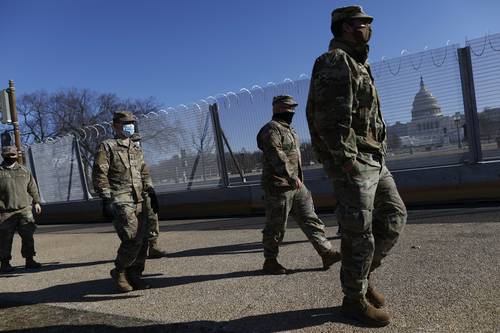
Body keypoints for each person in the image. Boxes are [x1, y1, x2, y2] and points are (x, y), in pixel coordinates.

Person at [306, 6, 407, 327]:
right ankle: (353, 300)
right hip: (356, 161)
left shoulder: (358, 64)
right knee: (358, 233)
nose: (369, 28)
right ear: (346, 27)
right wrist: (347, 161)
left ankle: (362, 278)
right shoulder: (334, 62)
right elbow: (330, 118)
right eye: (363, 23)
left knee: (393, 216)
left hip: (374, 158)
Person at [257, 95, 342, 275]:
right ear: (278, 108)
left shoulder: (291, 130)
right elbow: (275, 154)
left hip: (296, 185)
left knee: (311, 219)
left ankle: (326, 252)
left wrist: (296, 179)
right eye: (288, 108)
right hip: (278, 186)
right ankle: (270, 261)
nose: (292, 112)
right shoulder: (271, 129)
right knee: (276, 226)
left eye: (293, 109)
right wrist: (290, 175)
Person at [92, 111, 157, 292]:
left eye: (132, 123)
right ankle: (120, 270)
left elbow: (144, 171)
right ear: (115, 126)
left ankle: (135, 273)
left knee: (143, 238)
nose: (130, 126)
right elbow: (100, 174)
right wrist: (106, 198)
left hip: (140, 198)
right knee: (131, 238)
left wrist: (150, 190)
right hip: (121, 198)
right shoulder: (108, 146)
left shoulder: (136, 148)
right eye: (126, 123)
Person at [0, 146, 42, 273]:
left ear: (16, 156)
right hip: (5, 212)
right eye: (8, 155)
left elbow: (32, 187)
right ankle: (5, 263)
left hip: (25, 209)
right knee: (4, 238)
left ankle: (30, 260)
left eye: (13, 155)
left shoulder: (24, 171)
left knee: (28, 236)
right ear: (3, 156)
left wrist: (36, 202)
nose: (11, 157)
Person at [130, 133, 168, 259]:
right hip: (128, 193)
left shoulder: (138, 153)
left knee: (152, 215)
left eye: (138, 141)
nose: (137, 144)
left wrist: (150, 189)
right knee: (133, 223)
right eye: (134, 141)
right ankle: (133, 252)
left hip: (143, 190)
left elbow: (145, 173)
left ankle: (153, 246)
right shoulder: (116, 153)